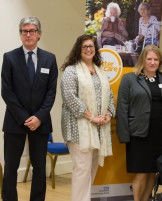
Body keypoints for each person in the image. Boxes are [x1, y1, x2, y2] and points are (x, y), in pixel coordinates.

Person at [1, 16, 58, 201]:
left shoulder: (50, 59)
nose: (28, 34)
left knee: (40, 168)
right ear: (20, 35)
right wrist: (25, 117)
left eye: (32, 31)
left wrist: (38, 117)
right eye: (24, 31)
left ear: (39, 34)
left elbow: (51, 93)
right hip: (15, 121)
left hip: (40, 123)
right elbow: (6, 92)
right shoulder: (9, 58)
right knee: (10, 168)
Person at [116, 45, 162, 201]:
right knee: (141, 172)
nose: (152, 62)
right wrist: (124, 135)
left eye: (156, 59)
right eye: (149, 59)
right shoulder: (130, 79)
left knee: (154, 170)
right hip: (139, 133)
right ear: (142, 60)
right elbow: (122, 109)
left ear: (160, 61)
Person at [60, 34, 115, 201]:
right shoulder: (71, 71)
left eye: (91, 46)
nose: (89, 49)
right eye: (85, 46)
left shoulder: (100, 71)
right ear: (79, 49)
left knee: (91, 171)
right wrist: (91, 117)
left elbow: (110, 97)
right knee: (81, 170)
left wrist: (108, 115)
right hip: (78, 128)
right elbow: (69, 97)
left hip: (98, 128)